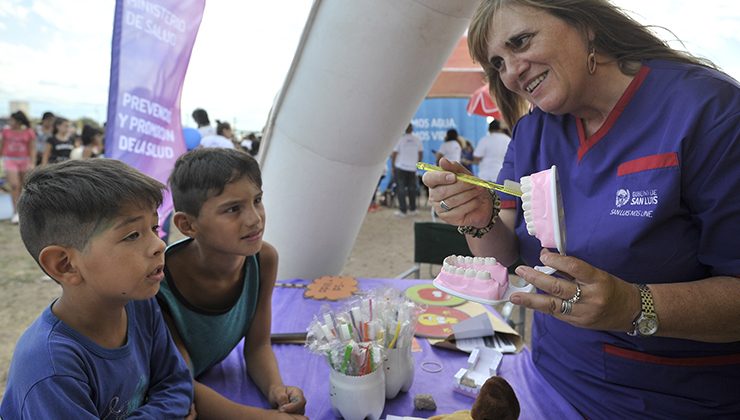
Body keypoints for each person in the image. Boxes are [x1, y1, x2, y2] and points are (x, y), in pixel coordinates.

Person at [423, 0, 740, 417]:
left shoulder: (709, 111)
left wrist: (632, 305)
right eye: (498, 63)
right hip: (549, 380)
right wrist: (478, 222)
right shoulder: (533, 131)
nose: (512, 72)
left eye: (521, 42)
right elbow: (505, 257)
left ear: (585, 23)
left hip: (671, 401)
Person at [0, 159, 194, 418]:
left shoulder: (139, 305)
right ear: (66, 265)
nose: (158, 245)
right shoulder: (51, 366)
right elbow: (174, 401)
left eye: (153, 227)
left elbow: (177, 384)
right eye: (132, 235)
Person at [158, 148, 307, 419]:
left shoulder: (263, 260)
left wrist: (277, 390)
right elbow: (178, 384)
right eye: (233, 209)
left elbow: (258, 346)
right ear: (188, 225)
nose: (254, 219)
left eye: (257, 200)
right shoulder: (159, 281)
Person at [0, 110, 36, 224]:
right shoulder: (5, 131)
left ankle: (24, 211)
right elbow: (1, 146)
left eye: (12, 120)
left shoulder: (29, 132)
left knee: (24, 187)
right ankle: (15, 212)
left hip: (25, 161)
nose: (10, 122)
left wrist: (32, 163)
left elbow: (32, 149)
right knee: (14, 186)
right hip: (10, 160)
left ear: (19, 121)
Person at [390, 123, 423, 217]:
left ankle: (403, 211)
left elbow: (394, 154)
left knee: (401, 189)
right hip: (412, 168)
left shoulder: (400, 139)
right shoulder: (417, 140)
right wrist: (417, 164)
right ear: (412, 129)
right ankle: (413, 209)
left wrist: (393, 167)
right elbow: (420, 154)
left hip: (401, 167)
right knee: (412, 188)